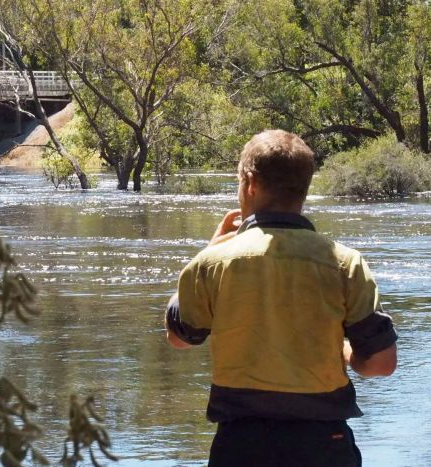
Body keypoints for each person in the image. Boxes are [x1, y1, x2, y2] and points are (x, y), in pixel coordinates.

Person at [165, 130, 397, 466]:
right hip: (324, 444)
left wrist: (207, 251)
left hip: (240, 445)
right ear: (305, 186)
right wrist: (346, 351)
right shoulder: (345, 263)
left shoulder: (213, 262)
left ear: (250, 183)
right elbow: (380, 364)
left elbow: (180, 337)